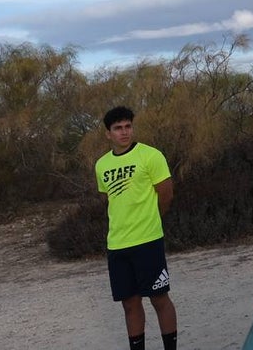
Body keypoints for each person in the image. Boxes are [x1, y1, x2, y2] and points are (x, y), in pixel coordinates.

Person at [96, 106, 178, 350]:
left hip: (148, 241)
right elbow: (107, 199)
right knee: (129, 304)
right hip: (118, 245)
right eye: (118, 128)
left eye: (128, 126)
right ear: (108, 133)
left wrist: (152, 219)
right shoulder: (101, 165)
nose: (124, 132)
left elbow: (166, 194)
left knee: (159, 298)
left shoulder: (151, 156)